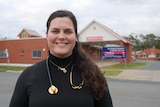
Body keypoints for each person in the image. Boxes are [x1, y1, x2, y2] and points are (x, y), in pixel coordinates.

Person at [9, 10, 113, 107]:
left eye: (68, 31)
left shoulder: (93, 74)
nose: (61, 36)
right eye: (55, 31)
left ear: (75, 36)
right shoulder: (28, 75)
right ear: (47, 35)